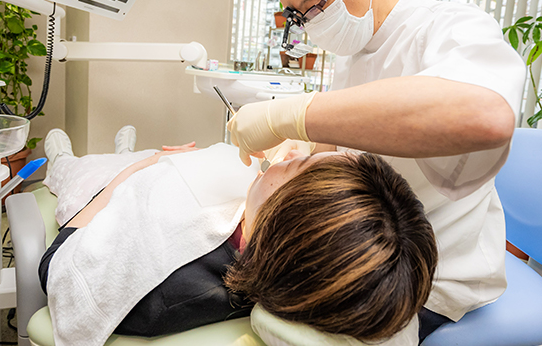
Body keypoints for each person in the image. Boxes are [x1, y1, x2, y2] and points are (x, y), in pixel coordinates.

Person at [226, 0, 527, 342]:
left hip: (426, 268)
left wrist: (291, 114)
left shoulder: (450, 26)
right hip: (364, 246)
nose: (308, 26)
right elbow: (340, 142)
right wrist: (300, 149)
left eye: (313, 6)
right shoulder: (353, 49)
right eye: (297, 15)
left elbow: (486, 116)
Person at [39, 127, 437, 344]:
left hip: (120, 187)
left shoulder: (160, 294)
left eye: (298, 168)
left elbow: (58, 263)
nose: (293, 157)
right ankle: (122, 148)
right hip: (178, 171)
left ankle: (64, 158)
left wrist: (145, 166)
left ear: (279, 229)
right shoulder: (294, 258)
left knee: (81, 170)